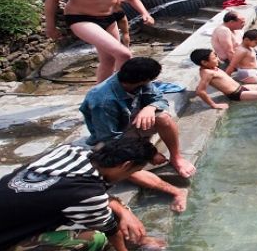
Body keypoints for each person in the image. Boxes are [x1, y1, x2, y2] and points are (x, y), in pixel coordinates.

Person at [0, 137, 162, 251]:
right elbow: (110, 231)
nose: (128, 177)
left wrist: (124, 211)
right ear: (126, 165)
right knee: (95, 241)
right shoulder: (87, 193)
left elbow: (94, 197)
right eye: (131, 172)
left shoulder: (69, 151)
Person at [80, 57, 193, 212]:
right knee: (119, 166)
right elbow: (111, 140)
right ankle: (176, 191)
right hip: (110, 138)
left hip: (133, 125)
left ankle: (176, 157)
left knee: (164, 118)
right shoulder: (102, 101)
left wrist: (151, 107)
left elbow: (160, 100)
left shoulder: (140, 83)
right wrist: (149, 152)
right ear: (143, 79)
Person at [44, 0, 155, 83]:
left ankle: (100, 93)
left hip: (109, 19)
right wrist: (50, 26)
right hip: (81, 19)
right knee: (124, 54)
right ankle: (121, 92)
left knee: (109, 59)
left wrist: (145, 13)